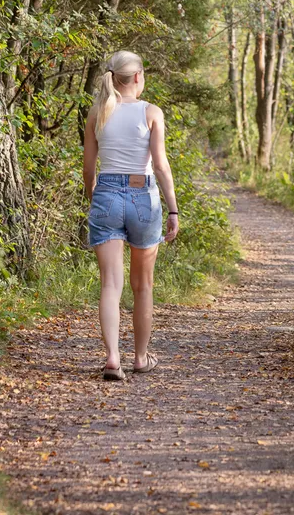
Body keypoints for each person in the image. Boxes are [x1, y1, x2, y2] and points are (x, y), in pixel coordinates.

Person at [83, 50, 180, 381]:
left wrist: (95, 197)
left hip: (106, 194)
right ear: (138, 77)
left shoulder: (98, 112)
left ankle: (112, 358)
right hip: (144, 198)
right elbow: (161, 164)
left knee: (110, 283)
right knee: (143, 286)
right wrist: (173, 208)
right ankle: (140, 357)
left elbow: (88, 170)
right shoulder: (151, 112)